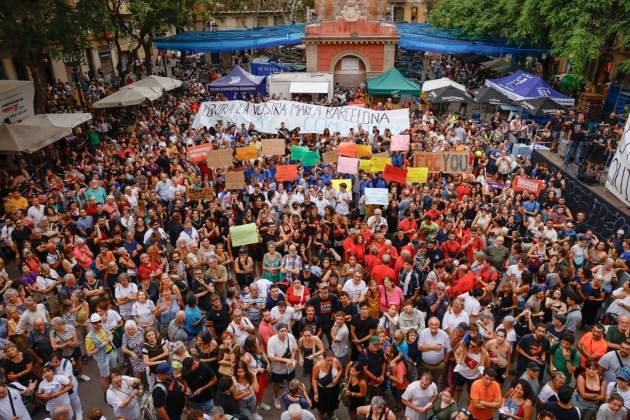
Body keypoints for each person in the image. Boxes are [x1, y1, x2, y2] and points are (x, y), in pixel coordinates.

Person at [267, 322, 299, 409]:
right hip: (277, 369)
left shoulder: (291, 337)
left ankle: (291, 397)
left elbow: (295, 349)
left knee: (291, 383)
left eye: (285, 330)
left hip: (290, 368)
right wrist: (285, 360)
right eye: (281, 331)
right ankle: (276, 398)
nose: (284, 333)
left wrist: (292, 359)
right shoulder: (271, 340)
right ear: (277, 331)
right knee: (276, 384)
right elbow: (271, 357)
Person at [84, 312, 116, 390]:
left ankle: (113, 388)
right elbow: (89, 353)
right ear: (91, 324)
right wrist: (101, 346)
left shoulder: (104, 327)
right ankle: (106, 393)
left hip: (111, 352)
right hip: (102, 358)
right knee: (105, 377)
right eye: (95, 323)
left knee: (113, 370)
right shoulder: (89, 338)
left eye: (99, 321)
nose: (98, 324)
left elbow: (110, 334)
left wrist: (111, 337)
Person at [311, 350, 343, 419]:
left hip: (333, 389)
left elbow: (340, 369)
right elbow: (314, 379)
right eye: (328, 360)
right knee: (320, 405)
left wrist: (337, 378)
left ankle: (331, 414)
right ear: (323, 358)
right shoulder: (317, 366)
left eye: (331, 360)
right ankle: (319, 416)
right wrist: (316, 393)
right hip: (322, 390)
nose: (330, 363)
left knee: (332, 403)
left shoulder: (336, 361)